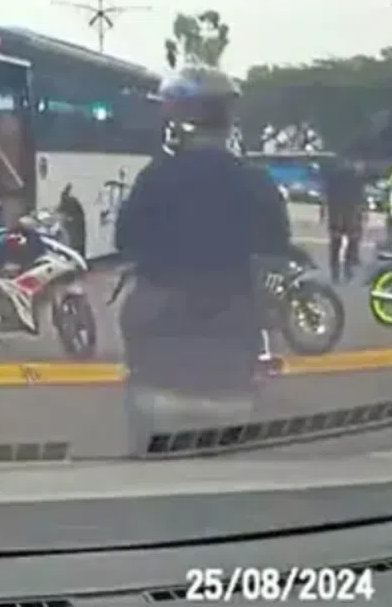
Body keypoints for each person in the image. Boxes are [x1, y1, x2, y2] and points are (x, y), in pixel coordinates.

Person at [114, 65, 292, 454]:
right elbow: (279, 247)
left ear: (175, 119)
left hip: (160, 309)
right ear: (228, 121)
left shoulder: (156, 176)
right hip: (234, 311)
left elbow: (124, 239)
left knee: (142, 397)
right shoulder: (255, 179)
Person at [319, 157, 366, 283]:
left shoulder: (335, 177)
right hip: (348, 212)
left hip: (338, 212)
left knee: (337, 242)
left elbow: (325, 196)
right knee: (349, 241)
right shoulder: (354, 177)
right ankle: (346, 268)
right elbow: (360, 197)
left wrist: (323, 212)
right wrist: (362, 213)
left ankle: (339, 270)